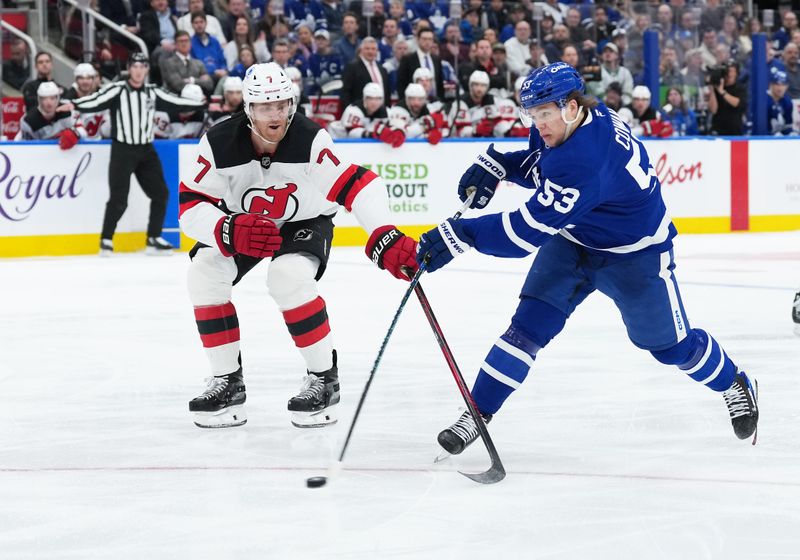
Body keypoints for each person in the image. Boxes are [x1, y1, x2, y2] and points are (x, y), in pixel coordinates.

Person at [416, 62, 759, 456]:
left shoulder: (588, 159)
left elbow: (522, 233)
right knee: (526, 329)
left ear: (571, 107)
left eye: (544, 114)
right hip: (573, 241)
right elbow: (544, 164)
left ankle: (734, 382)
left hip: (635, 257)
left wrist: (461, 233)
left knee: (671, 348)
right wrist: (500, 165)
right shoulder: (574, 124)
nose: (538, 124)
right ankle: (477, 413)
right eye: (533, 115)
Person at [180, 63, 418, 428]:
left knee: (288, 277)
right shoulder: (217, 141)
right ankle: (227, 381)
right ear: (248, 108)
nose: (275, 115)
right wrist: (227, 228)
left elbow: (361, 184)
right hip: (244, 224)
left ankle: (324, 378)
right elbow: (190, 205)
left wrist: (384, 233)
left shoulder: (310, 138)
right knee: (204, 274)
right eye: (264, 106)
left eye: (281, 104)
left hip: (304, 221)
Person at [59, 53, 206, 256]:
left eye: (142, 66)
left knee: (161, 193)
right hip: (123, 150)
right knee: (119, 198)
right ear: (129, 68)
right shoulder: (117, 89)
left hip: (146, 150)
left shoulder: (152, 92)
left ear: (146, 70)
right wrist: (75, 104)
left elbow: (176, 101)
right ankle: (106, 240)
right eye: (135, 66)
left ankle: (153, 238)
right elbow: (96, 100)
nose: (138, 70)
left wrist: (201, 105)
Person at [328, 82, 405, 147]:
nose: (374, 102)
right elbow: (352, 133)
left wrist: (400, 131)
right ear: (364, 98)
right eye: (370, 98)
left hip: (358, 147)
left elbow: (398, 124)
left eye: (378, 98)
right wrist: (372, 134)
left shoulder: (387, 112)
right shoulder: (353, 110)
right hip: (337, 141)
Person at [18, 82, 83, 149]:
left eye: (52, 98)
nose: (49, 102)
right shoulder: (28, 121)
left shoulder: (68, 111)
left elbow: (83, 131)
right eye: (44, 98)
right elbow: (24, 146)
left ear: (57, 98)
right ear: (39, 100)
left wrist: (75, 133)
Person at [62, 63, 110, 141]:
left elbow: (106, 132)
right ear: (76, 80)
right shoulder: (67, 102)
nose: (85, 82)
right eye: (81, 78)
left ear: (93, 80)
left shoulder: (101, 102)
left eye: (88, 78)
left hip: (98, 148)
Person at [707, 61, 746, 136]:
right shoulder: (717, 87)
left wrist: (722, 92)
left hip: (734, 131)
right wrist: (712, 89)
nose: (729, 74)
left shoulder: (740, 88)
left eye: (731, 71)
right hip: (718, 131)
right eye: (727, 71)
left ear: (736, 73)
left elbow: (737, 103)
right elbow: (713, 110)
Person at [766, 70, 795, 136]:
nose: (780, 88)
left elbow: (788, 126)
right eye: (777, 84)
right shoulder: (764, 101)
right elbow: (761, 129)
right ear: (771, 85)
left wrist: (790, 133)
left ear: (787, 86)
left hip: (779, 137)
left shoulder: (787, 102)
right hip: (763, 138)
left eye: (783, 84)